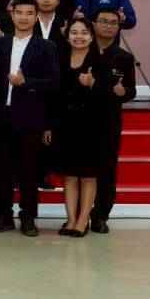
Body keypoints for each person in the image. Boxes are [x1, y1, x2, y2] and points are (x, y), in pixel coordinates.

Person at [0, 0, 60, 236]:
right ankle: (3, 216)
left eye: (29, 13)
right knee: (1, 169)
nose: (23, 17)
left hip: (30, 117)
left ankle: (28, 217)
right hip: (1, 115)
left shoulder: (47, 47)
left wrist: (26, 82)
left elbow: (54, 83)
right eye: (19, 12)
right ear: (12, 15)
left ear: (36, 16)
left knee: (29, 170)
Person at [50, 18, 109, 237]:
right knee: (70, 176)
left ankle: (83, 220)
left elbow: (109, 97)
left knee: (88, 175)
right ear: (67, 37)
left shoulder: (100, 61)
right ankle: (71, 220)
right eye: (74, 32)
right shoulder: (60, 59)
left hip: (92, 126)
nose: (79, 37)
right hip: (65, 125)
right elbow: (52, 95)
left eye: (84, 32)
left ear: (92, 37)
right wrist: (50, 125)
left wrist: (93, 84)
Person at [91, 7, 136, 233]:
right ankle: (78, 216)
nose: (108, 26)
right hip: (80, 119)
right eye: (103, 21)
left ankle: (101, 215)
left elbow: (131, 91)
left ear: (118, 27)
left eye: (113, 23)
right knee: (80, 170)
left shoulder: (124, 58)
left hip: (108, 121)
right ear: (94, 24)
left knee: (106, 170)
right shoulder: (81, 50)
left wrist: (123, 92)